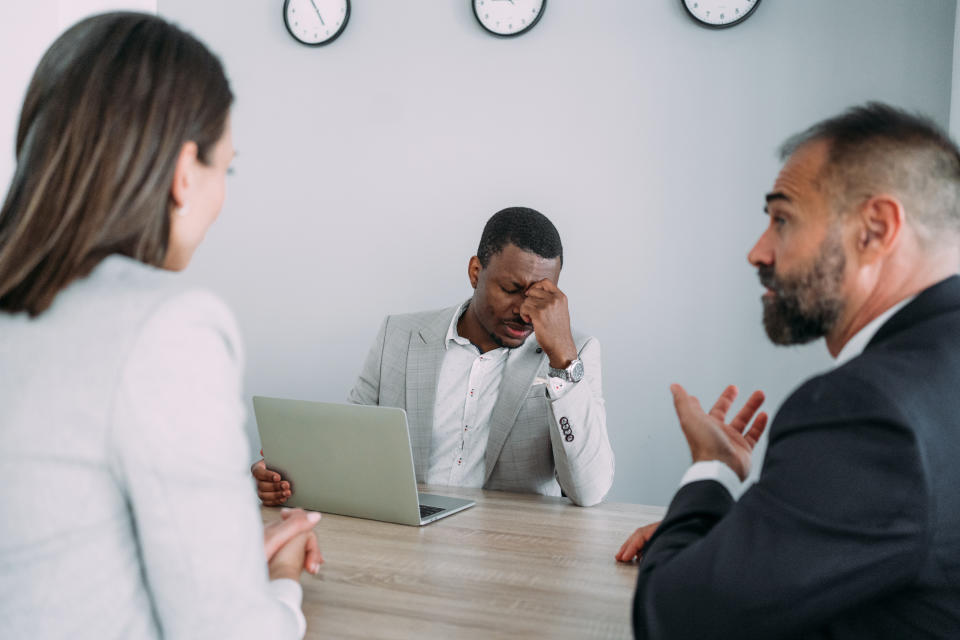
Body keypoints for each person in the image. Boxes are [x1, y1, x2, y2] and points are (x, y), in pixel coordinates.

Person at [0, 12, 320, 639]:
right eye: (224, 169)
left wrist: (221, 562)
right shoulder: (165, 330)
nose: (221, 194)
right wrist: (280, 583)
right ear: (182, 175)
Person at [627, 103, 960, 638]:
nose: (758, 252)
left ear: (875, 228)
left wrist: (711, 469)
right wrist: (733, 532)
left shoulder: (866, 408)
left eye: (782, 219)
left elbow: (671, 620)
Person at [253, 207, 615, 506]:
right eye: (511, 289)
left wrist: (563, 360)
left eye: (541, 294)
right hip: (408, 538)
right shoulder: (400, 336)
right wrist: (288, 477)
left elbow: (590, 491)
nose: (525, 311)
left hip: (510, 552)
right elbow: (352, 447)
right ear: (476, 272)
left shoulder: (572, 355)